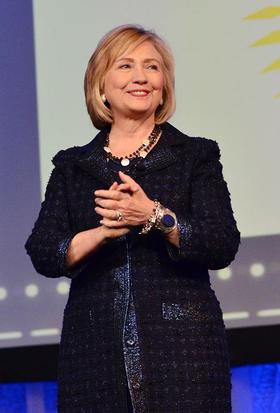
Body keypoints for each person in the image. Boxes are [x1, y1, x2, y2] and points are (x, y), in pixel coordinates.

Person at [25, 25, 240, 413]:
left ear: (164, 86)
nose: (141, 77)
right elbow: (44, 251)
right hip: (93, 354)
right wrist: (103, 232)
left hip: (183, 353)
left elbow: (221, 242)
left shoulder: (195, 156)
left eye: (152, 67)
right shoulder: (73, 166)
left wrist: (156, 215)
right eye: (126, 65)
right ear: (101, 85)